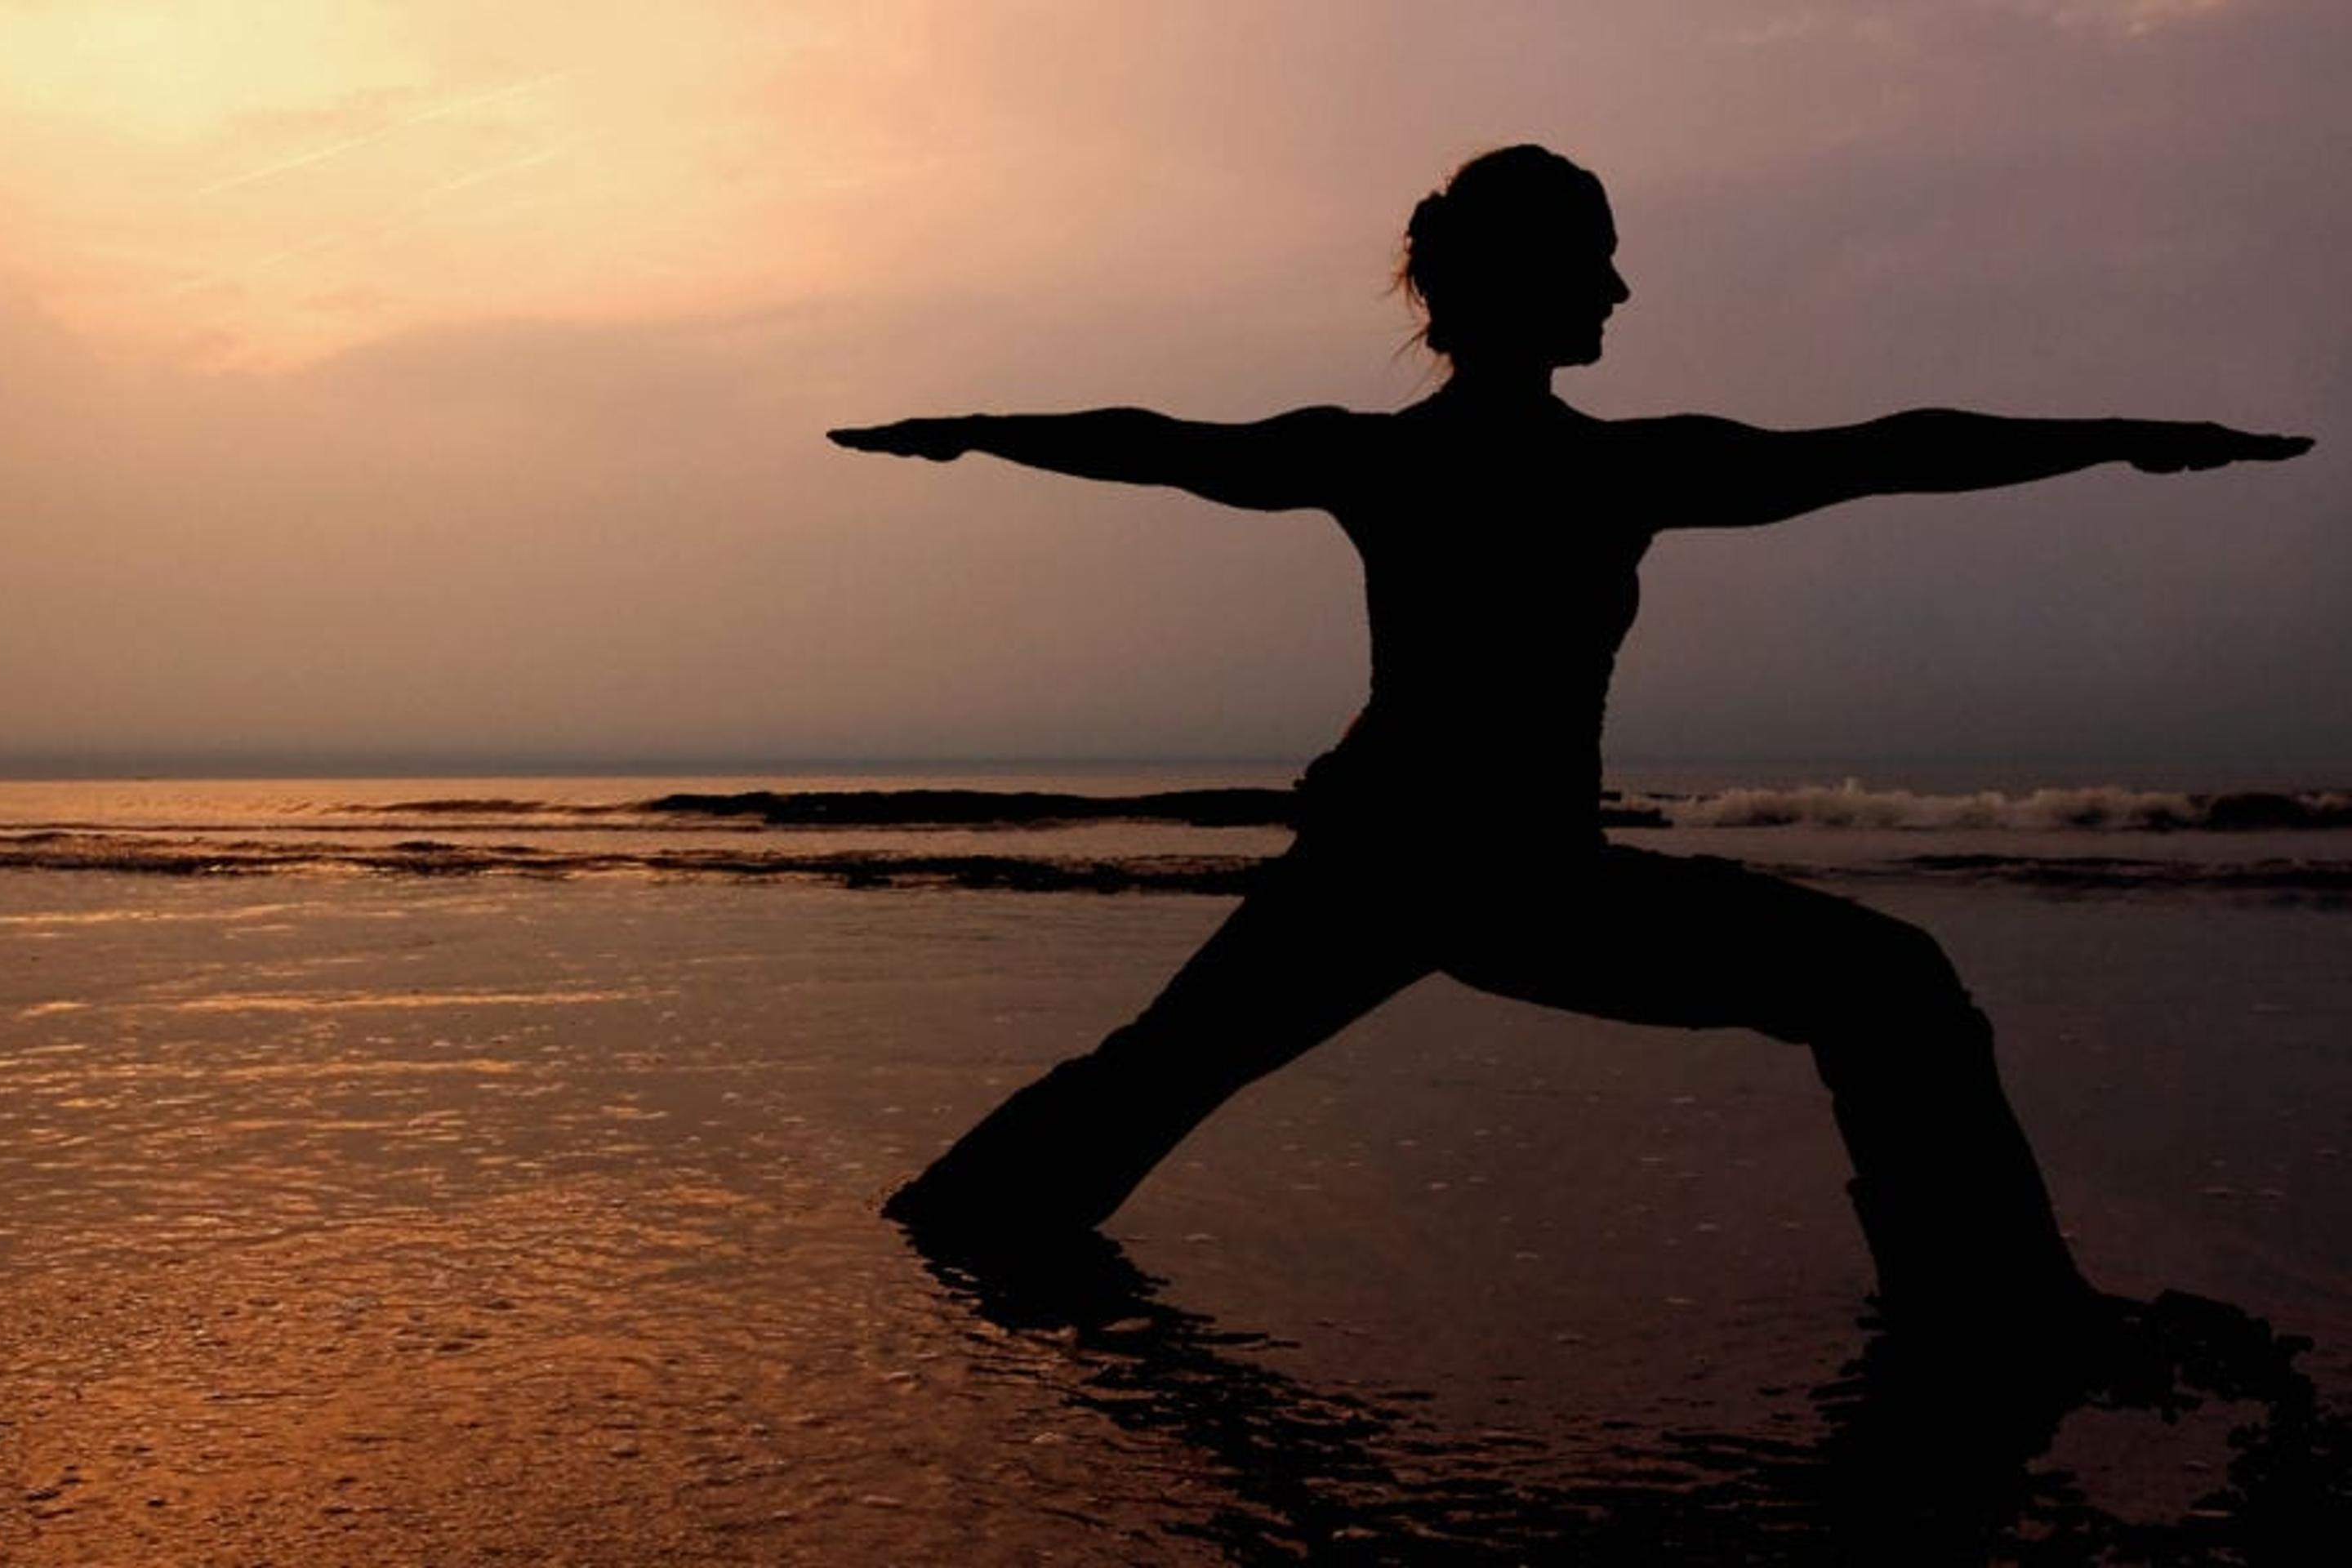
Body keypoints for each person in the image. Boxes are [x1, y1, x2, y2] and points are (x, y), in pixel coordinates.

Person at [827, 145, 2311, 1345]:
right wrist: (979, 427)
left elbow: (1892, 450)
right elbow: (1155, 439)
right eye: (1594, 254)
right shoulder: (1559, 465)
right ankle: (1994, 1317)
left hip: (1428, 868)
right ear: (1520, 279)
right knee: (1889, 985)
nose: (1619, 283)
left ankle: (1992, 1309)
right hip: (1469, 876)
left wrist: (2120, 432)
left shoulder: (1479, 461)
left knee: (1142, 1086)